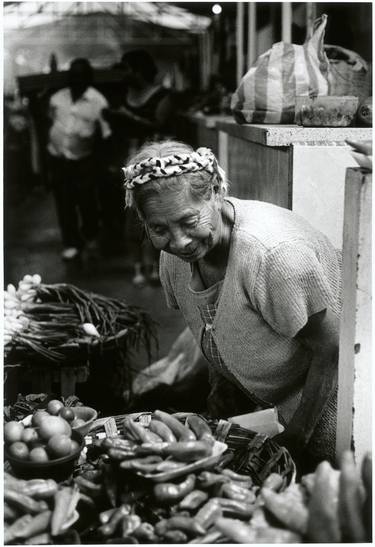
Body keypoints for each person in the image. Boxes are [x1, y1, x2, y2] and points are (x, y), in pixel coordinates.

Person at [122, 140, 342, 469]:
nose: (179, 241)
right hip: (274, 408)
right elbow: (213, 320)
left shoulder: (274, 255)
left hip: (331, 409)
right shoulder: (176, 258)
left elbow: (332, 348)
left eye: (189, 221)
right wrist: (222, 380)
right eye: (159, 229)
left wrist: (297, 437)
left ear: (215, 192)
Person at [104, 50, 174, 285]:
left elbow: (160, 125)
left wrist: (127, 117)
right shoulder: (123, 95)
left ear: (137, 69)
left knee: (154, 214)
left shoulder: (162, 96)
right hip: (127, 163)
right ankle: (137, 267)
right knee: (130, 216)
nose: (123, 74)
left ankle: (154, 265)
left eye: (127, 69)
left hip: (153, 164)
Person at [47, 58, 111, 260]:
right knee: (64, 202)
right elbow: (49, 122)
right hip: (59, 159)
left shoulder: (98, 101)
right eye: (72, 75)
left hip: (84, 160)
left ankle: (89, 235)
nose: (75, 79)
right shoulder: (57, 98)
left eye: (80, 76)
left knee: (86, 202)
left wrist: (102, 164)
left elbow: (105, 134)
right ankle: (71, 242)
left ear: (88, 78)